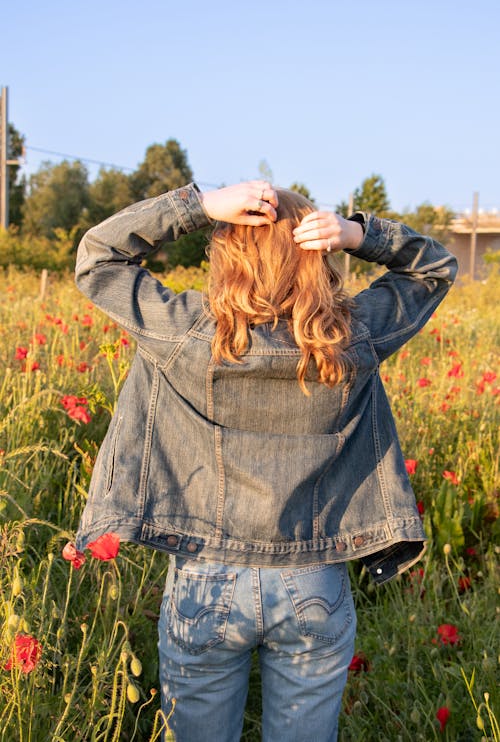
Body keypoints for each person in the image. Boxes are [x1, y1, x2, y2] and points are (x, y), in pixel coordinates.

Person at [74, 180, 457, 741]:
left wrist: (199, 206)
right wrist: (356, 234)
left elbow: (98, 258)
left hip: (205, 578)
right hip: (314, 581)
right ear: (317, 259)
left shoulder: (184, 332)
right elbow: (435, 269)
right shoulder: (352, 338)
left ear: (226, 256)